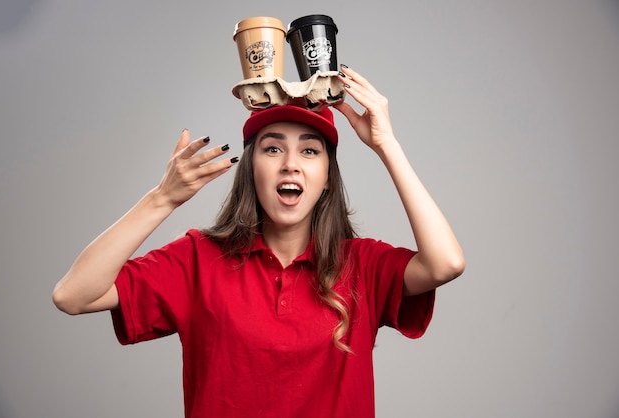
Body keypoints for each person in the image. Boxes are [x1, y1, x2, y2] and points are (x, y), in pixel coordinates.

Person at [52, 65, 465, 418]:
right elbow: (74, 295)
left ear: (326, 179)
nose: (290, 164)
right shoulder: (198, 258)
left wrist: (385, 145)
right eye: (272, 149)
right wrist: (162, 199)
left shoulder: (362, 264)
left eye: (309, 151)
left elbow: (445, 263)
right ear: (251, 170)